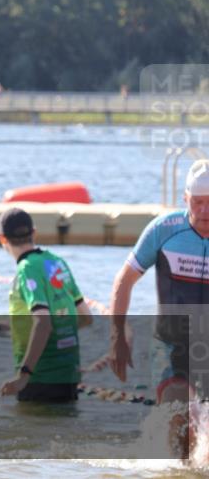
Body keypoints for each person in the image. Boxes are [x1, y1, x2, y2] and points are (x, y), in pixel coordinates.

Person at [108, 159, 209, 458]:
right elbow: (124, 280)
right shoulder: (164, 230)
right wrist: (117, 336)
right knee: (180, 417)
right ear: (186, 200)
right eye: (198, 203)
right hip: (171, 344)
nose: (205, 212)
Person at [0, 208, 92, 402]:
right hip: (69, 373)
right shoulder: (57, 263)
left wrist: (24, 375)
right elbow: (86, 317)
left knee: (33, 429)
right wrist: (60, 341)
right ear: (34, 232)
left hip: (39, 378)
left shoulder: (26, 269)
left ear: (2, 239)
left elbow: (43, 322)